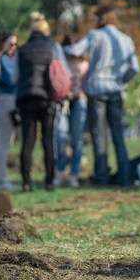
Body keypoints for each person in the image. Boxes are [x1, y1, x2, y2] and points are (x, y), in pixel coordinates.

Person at [64, 5, 139, 186]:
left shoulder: (94, 36)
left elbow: (75, 51)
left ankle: (101, 177)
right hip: (115, 90)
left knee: (99, 135)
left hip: (96, 90)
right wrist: (121, 80)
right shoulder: (126, 39)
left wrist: (60, 49)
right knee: (118, 135)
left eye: (95, 18)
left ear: (101, 18)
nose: (93, 21)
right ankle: (124, 177)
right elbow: (134, 68)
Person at [17, 12, 66, 192]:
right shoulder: (52, 48)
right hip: (46, 99)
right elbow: (60, 73)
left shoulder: (22, 50)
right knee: (47, 140)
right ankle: (49, 181)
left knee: (27, 142)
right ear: (45, 31)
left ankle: (26, 182)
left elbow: (16, 76)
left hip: (26, 99)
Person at [53, 35, 88, 188]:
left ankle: (74, 174)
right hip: (63, 102)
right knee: (60, 138)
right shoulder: (61, 63)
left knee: (77, 141)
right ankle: (59, 172)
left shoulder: (85, 64)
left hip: (79, 102)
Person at [0, 31, 19, 190]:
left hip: (9, 99)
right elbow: (13, 78)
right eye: (11, 44)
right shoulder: (3, 60)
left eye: (16, 44)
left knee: (5, 139)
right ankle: (1, 176)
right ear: (2, 44)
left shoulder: (6, 59)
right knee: (5, 140)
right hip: (5, 100)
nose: (14, 47)